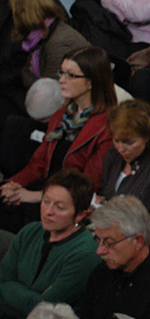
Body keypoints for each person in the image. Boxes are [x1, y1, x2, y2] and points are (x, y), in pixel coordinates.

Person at [0, 47, 116, 229]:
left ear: (91, 82)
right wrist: (13, 185)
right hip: (44, 192)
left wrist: (34, 196)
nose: (61, 80)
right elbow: (38, 164)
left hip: (69, 204)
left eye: (71, 75)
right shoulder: (61, 115)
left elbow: (86, 186)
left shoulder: (108, 127)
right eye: (61, 72)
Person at [0, 170, 99, 319]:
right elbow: (2, 279)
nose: (48, 211)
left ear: (80, 215)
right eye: (46, 201)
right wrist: (31, 297)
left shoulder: (85, 253)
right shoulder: (30, 231)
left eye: (59, 207)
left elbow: (45, 308)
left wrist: (11, 288)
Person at [99, 99, 150, 222]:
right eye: (116, 141)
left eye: (129, 143)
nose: (121, 149)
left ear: (147, 136)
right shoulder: (113, 155)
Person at [9, 0, 87, 92]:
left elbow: (51, 93)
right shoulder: (40, 34)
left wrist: (31, 78)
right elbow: (25, 71)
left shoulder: (58, 43)